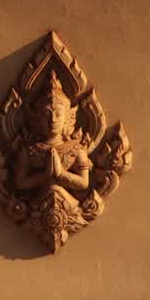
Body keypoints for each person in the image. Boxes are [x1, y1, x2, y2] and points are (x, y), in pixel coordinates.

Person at [13, 72, 92, 202]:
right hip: (37, 206)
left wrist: (61, 174)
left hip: (68, 206)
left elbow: (84, 183)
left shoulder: (76, 149)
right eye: (46, 114)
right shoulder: (29, 150)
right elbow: (20, 182)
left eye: (58, 114)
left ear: (68, 118)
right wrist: (45, 175)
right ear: (36, 119)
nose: (53, 120)